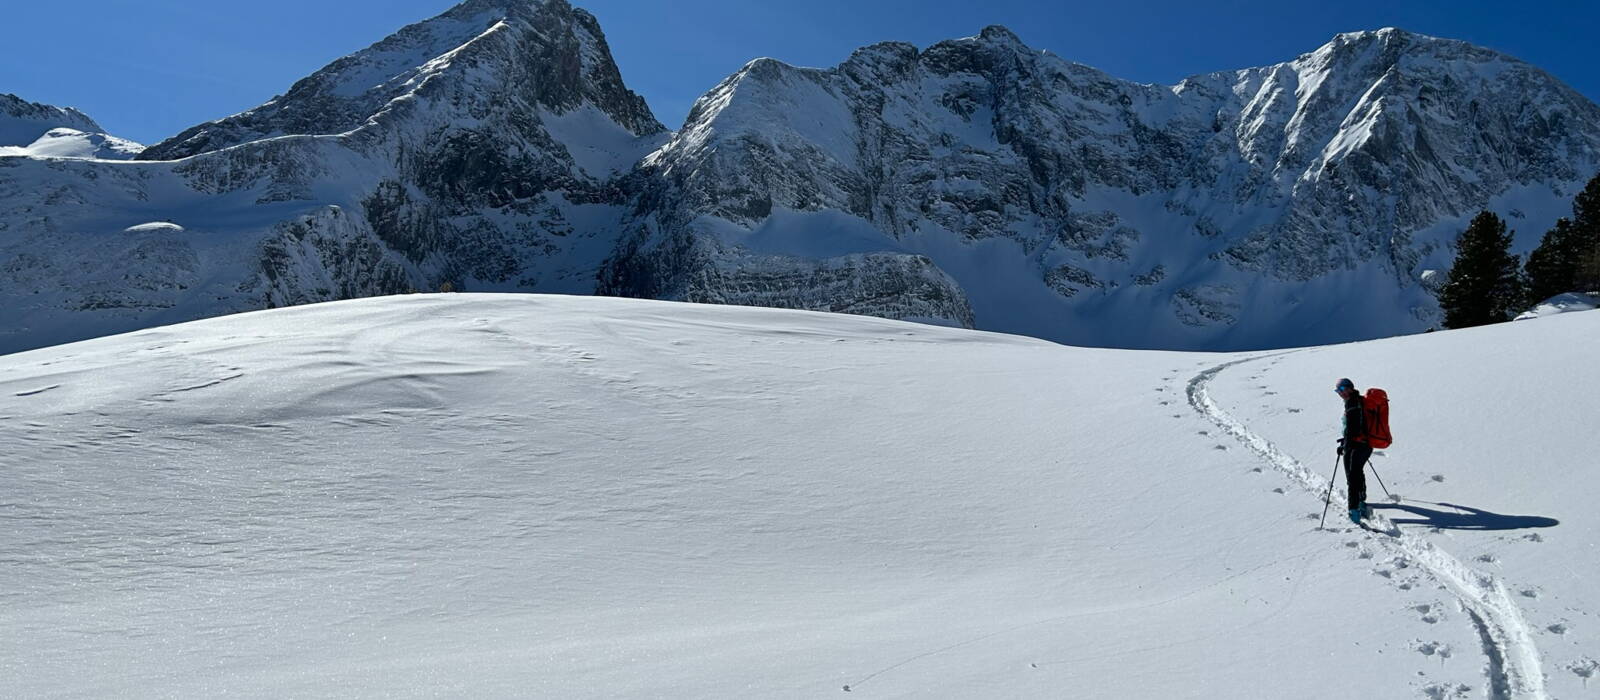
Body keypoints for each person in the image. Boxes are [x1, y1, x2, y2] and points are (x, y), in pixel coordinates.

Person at [1335, 378, 1373, 524]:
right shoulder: (1360, 400)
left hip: (1356, 446)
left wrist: (1346, 444)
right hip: (1366, 445)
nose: (1341, 393)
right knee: (1357, 472)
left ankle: (1354, 511)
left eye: (1343, 389)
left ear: (1350, 388)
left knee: (1352, 477)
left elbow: (1353, 428)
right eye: (1338, 390)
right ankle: (1361, 502)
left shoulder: (1352, 403)